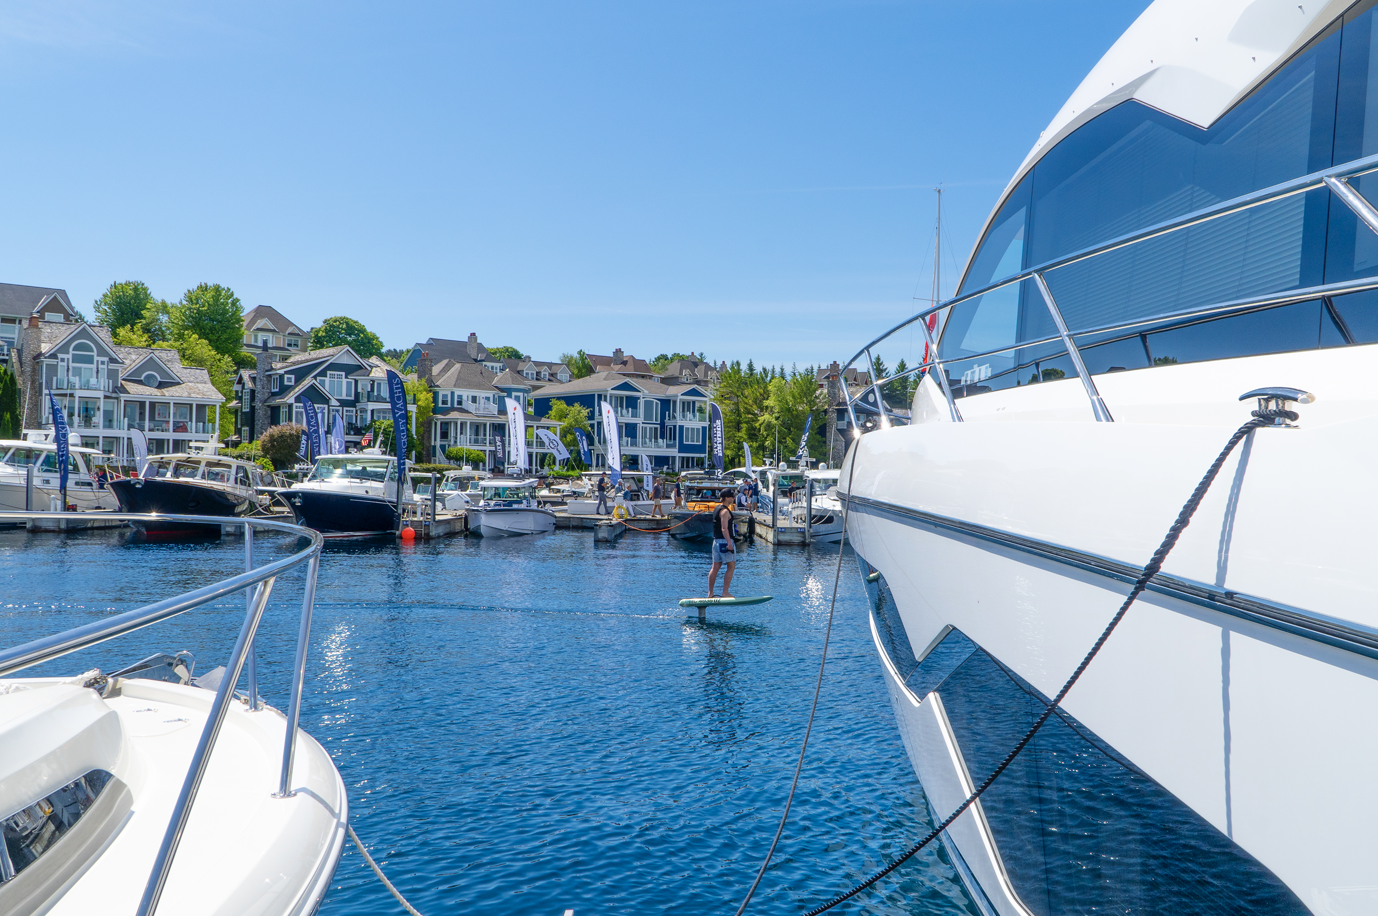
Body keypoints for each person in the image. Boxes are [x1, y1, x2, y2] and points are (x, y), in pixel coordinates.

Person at [707, 489, 737, 598]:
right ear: (726, 498)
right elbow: (724, 528)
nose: (733, 499)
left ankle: (710, 593)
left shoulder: (717, 509)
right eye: (732, 497)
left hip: (716, 542)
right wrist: (729, 543)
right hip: (725, 541)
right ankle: (725, 592)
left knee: (715, 567)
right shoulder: (724, 511)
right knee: (731, 566)